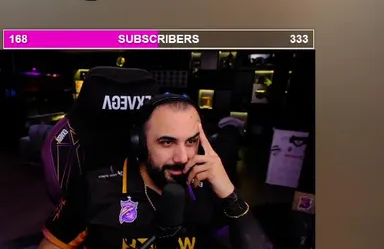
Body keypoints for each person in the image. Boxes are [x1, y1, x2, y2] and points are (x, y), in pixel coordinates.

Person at [40, 94, 261, 249]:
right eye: (167, 142)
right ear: (140, 143)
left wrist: (229, 194)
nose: (183, 158)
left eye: (191, 141)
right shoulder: (94, 189)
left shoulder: (208, 185)